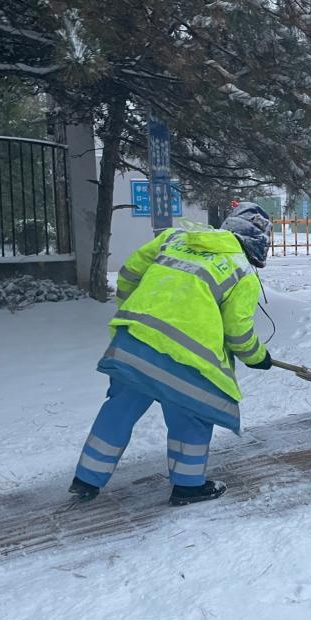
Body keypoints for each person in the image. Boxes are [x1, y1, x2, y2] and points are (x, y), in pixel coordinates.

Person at [69, 202, 274, 506]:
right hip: (186, 362)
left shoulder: (174, 239)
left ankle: (86, 479)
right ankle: (187, 487)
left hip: (133, 343)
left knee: (119, 409)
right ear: (259, 242)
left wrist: (136, 313)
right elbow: (238, 332)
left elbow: (128, 274)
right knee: (191, 416)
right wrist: (258, 357)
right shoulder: (241, 271)